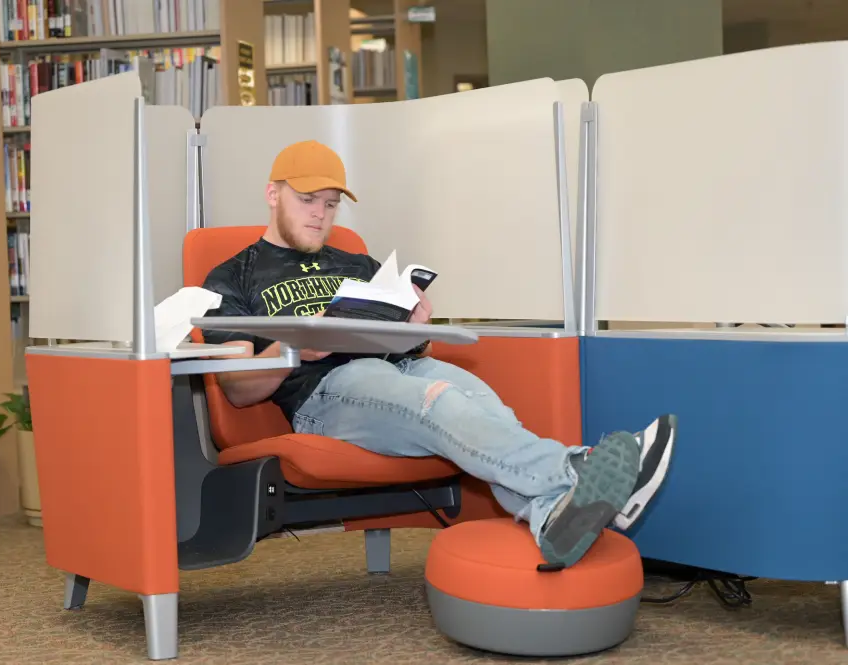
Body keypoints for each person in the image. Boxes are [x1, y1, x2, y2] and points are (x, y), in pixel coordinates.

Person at [200, 139, 677, 568]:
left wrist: (415, 329)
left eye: (330, 204)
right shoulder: (233, 276)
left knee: (487, 406)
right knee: (442, 402)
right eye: (307, 200)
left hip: (400, 368)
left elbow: (411, 346)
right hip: (326, 395)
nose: (320, 215)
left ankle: (552, 517)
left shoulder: (358, 265)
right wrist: (295, 346)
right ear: (273, 194)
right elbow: (236, 389)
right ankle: (575, 469)